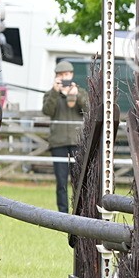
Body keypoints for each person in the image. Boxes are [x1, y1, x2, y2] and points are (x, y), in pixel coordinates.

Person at [42, 60, 87, 213]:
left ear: (72, 75)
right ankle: (63, 214)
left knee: (78, 180)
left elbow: (88, 109)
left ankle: (79, 211)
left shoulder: (81, 92)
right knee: (61, 182)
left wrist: (76, 95)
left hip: (77, 142)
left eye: (66, 74)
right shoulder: (50, 94)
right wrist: (56, 92)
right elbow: (47, 111)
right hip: (58, 143)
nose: (64, 77)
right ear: (56, 77)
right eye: (61, 75)